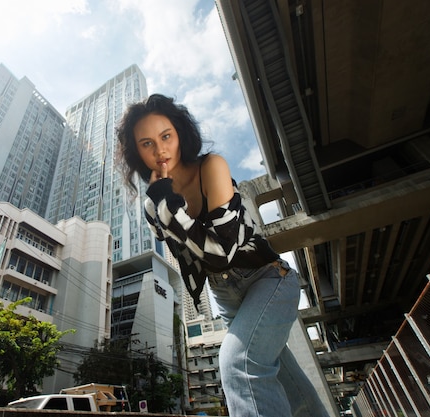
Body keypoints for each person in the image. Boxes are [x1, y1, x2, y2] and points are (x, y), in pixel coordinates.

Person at [116, 94, 330, 417]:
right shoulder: (152, 206)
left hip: (268, 279)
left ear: (180, 134)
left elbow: (222, 255)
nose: (160, 151)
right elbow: (183, 252)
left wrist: (170, 206)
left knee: (238, 364)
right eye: (147, 144)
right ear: (137, 153)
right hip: (226, 299)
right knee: (291, 387)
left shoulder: (211, 168)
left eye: (166, 137)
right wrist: (162, 205)